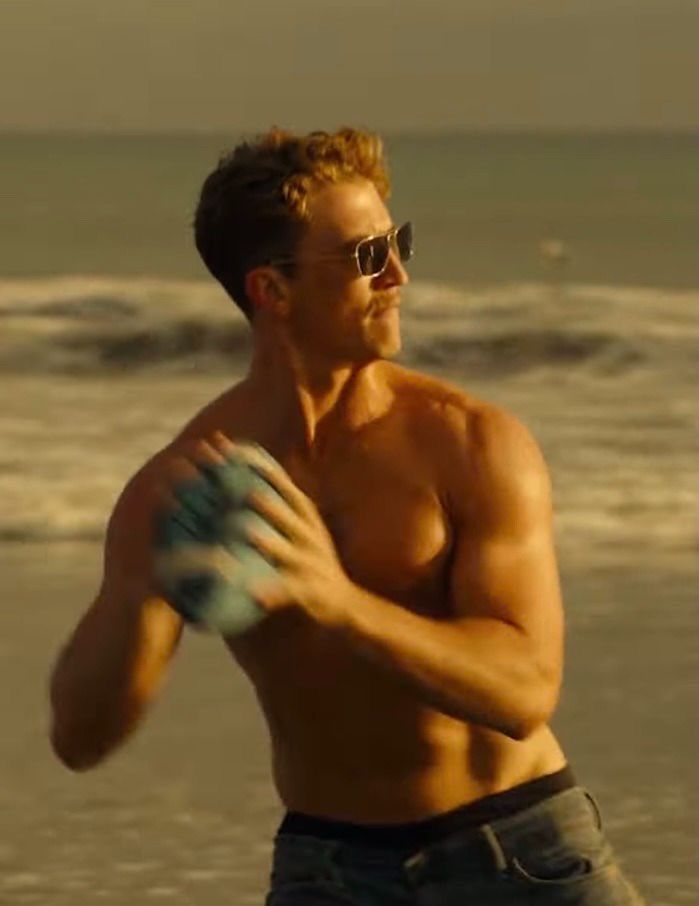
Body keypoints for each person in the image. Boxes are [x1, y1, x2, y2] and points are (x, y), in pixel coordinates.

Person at [49, 127, 644, 904]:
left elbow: (523, 692)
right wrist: (141, 597)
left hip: (521, 854)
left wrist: (334, 601)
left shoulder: (468, 442)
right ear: (273, 290)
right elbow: (80, 739)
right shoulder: (187, 482)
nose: (397, 274)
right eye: (366, 256)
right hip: (329, 871)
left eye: (396, 243)